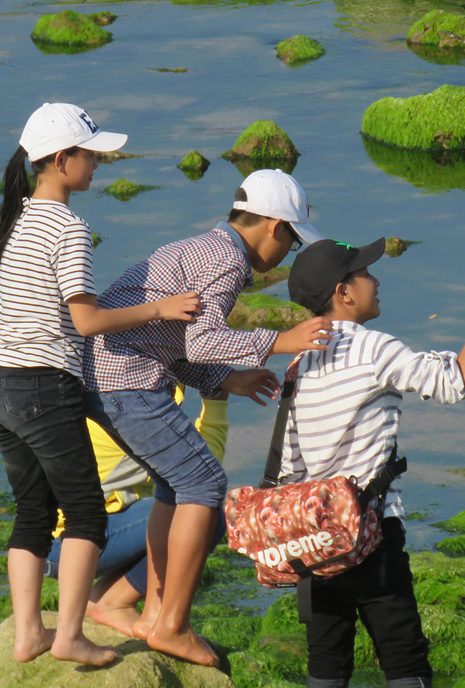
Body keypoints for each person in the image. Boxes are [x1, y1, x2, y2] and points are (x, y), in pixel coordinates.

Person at [82, 168, 334, 667]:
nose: (287, 253)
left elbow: (173, 343)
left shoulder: (199, 247)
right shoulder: (225, 261)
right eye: (292, 241)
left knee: (175, 485)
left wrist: (224, 381)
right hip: (124, 381)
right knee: (204, 484)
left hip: (100, 372)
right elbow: (202, 339)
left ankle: (156, 612)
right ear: (273, 227)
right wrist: (282, 342)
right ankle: (171, 626)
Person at [0, 102, 201, 666]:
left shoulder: (17, 218)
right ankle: (70, 636)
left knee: (31, 510)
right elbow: (86, 322)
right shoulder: (69, 226)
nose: (98, 165)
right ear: (60, 160)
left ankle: (29, 631)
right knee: (85, 513)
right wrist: (160, 309)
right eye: (91, 155)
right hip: (42, 383)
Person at [281, 236, 465, 688]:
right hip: (371, 535)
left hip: (315, 541)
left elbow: (292, 469)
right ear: (342, 293)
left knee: (326, 666)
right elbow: (460, 381)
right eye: (364, 272)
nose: (376, 278)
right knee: (404, 662)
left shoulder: (298, 365)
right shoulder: (372, 348)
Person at [44, 389, 230, 637]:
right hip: (70, 544)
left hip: (65, 538)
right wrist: (216, 400)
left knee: (185, 509)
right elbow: (202, 478)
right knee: (205, 515)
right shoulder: (134, 410)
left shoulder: (114, 393)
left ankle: (103, 598)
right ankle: (115, 603)